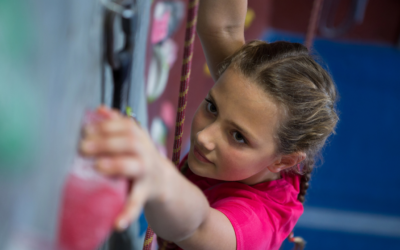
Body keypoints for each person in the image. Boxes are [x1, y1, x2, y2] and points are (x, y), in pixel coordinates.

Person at [80, 0, 339, 249]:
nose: (204, 137)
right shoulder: (254, 111)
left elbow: (198, 226)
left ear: (282, 162)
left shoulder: (254, 224)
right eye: (212, 108)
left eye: (238, 136)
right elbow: (222, 28)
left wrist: (159, 178)